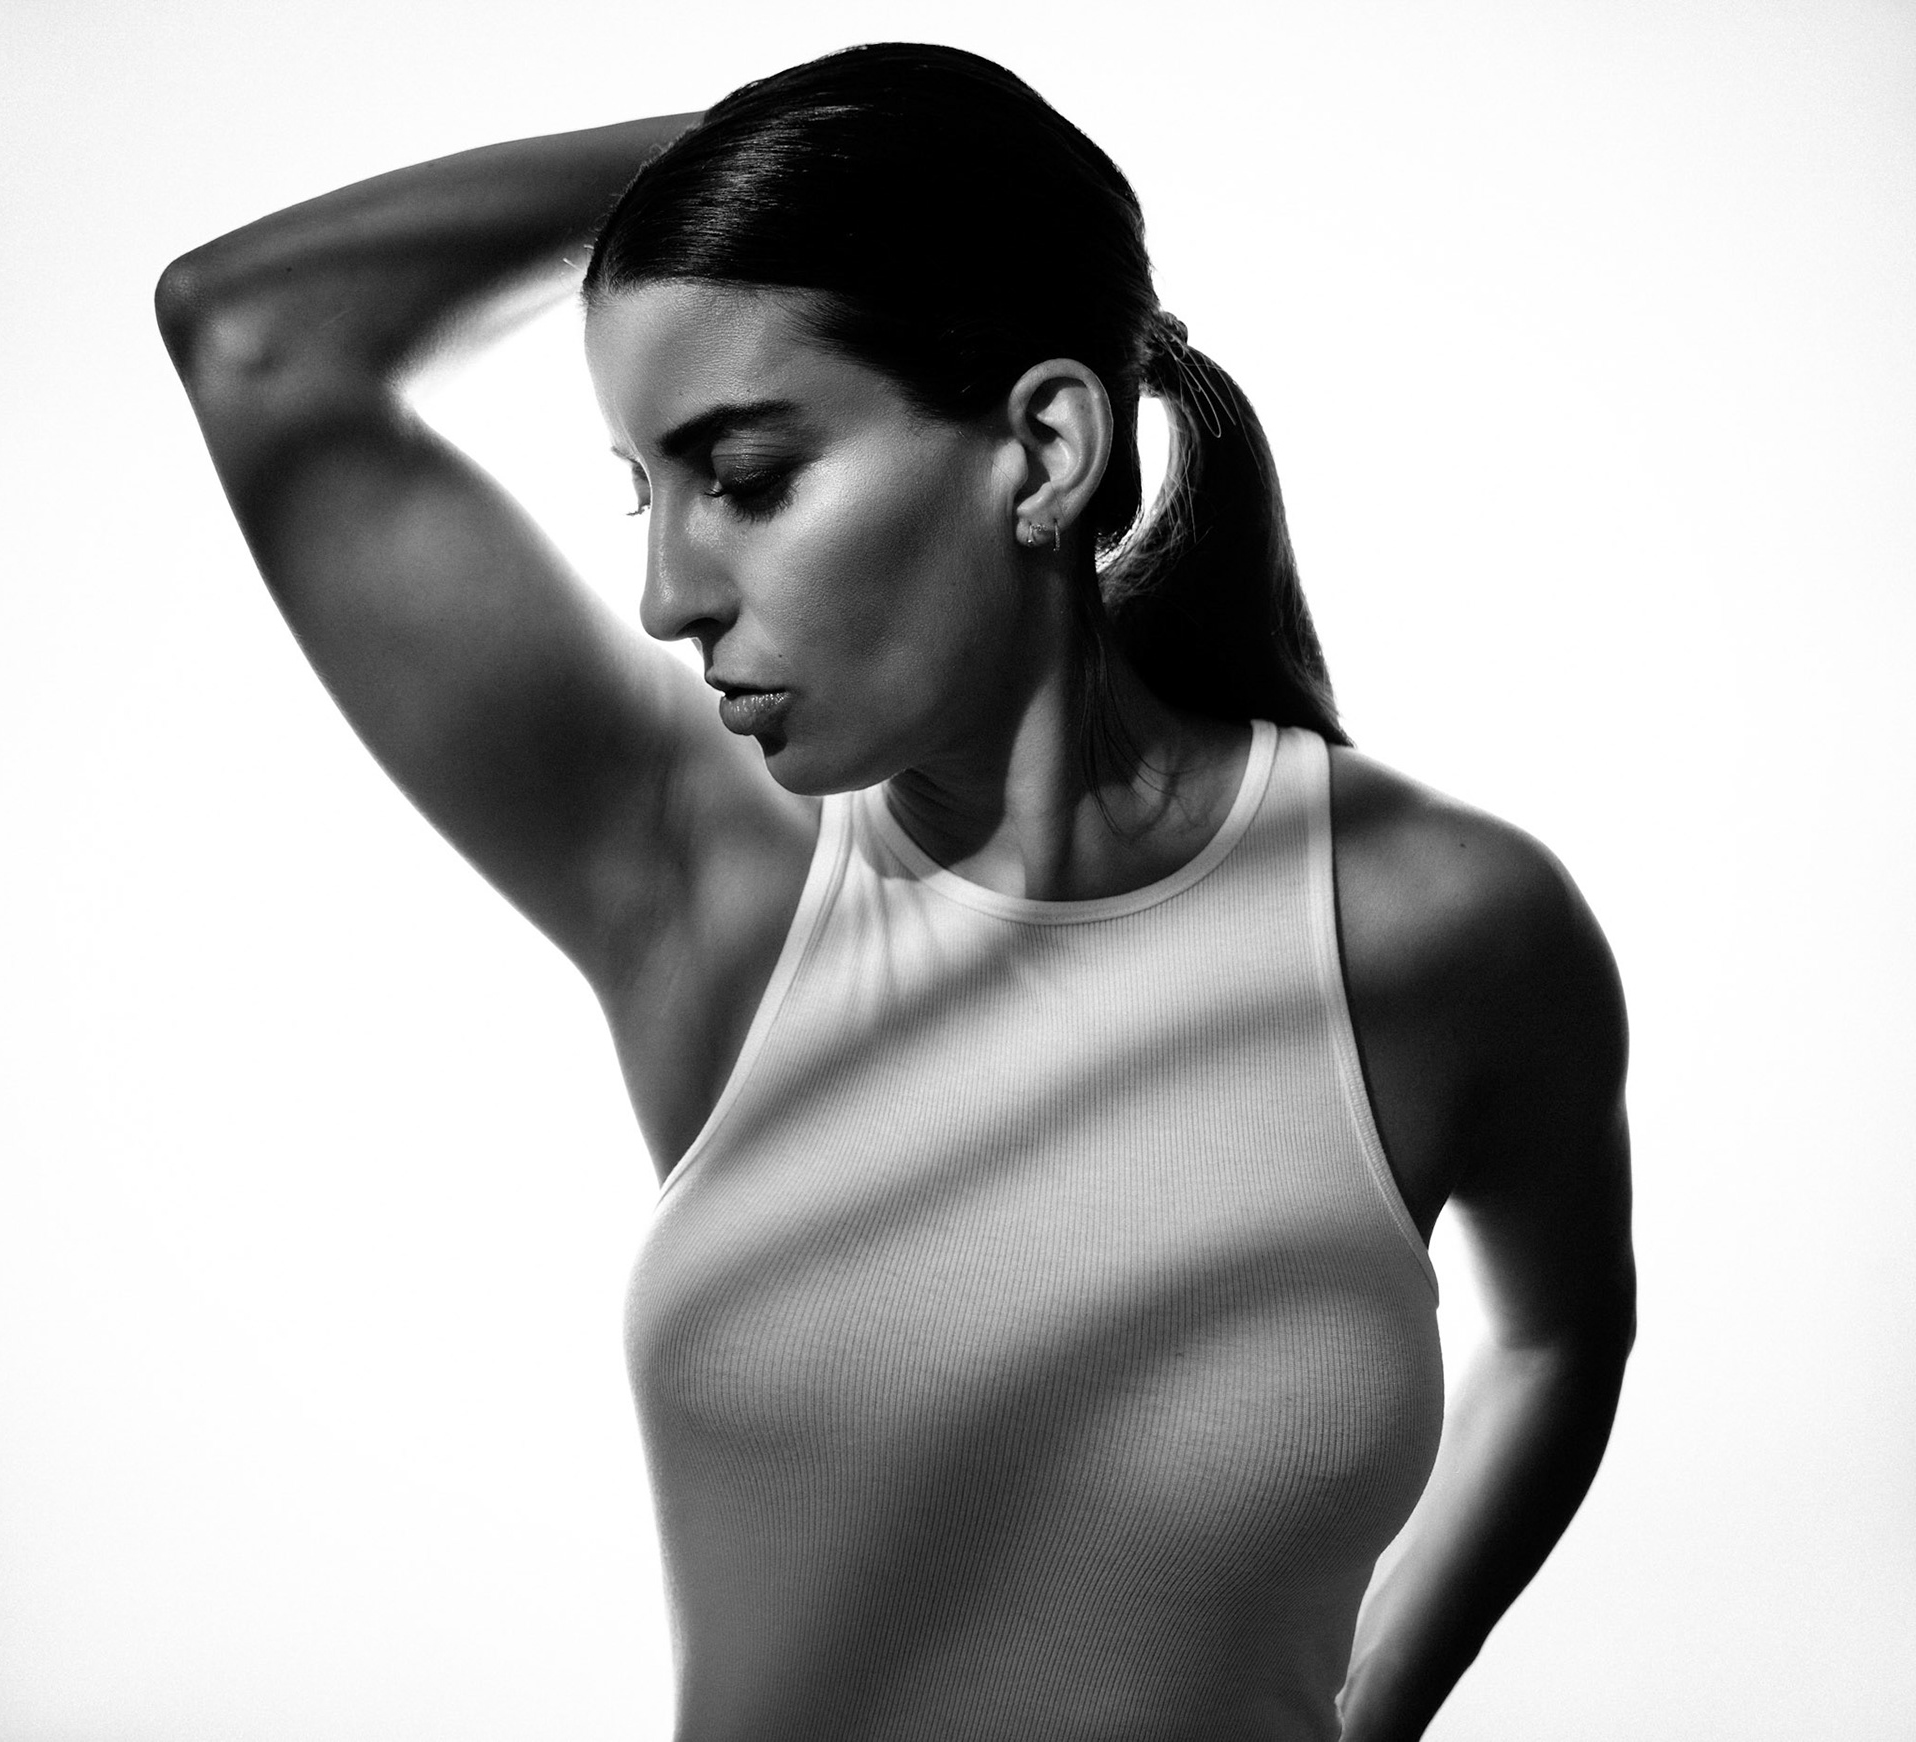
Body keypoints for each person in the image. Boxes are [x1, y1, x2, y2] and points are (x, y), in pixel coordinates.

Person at [155, 42, 1634, 1742]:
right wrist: (775, 157)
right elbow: (252, 332)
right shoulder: (705, 894)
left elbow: (1560, 1339)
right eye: (644, 488)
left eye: (744, 478)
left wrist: (1376, 1708)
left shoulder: (1442, 927)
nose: (663, 595)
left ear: (1044, 447)